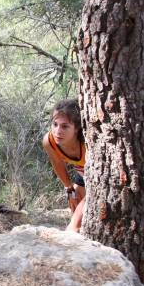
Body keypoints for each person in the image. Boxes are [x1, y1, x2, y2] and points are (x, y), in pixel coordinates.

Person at [41, 99, 86, 233]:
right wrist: (69, 189)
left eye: (65, 126)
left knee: (76, 221)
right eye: (55, 124)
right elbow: (58, 164)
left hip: (98, 174)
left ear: (77, 128)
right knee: (75, 204)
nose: (57, 131)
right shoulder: (49, 141)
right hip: (82, 172)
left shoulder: (88, 143)